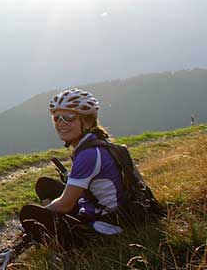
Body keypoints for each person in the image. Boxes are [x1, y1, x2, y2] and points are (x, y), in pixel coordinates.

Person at [17, 89, 127, 249]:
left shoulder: (89, 154)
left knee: (29, 214)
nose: (61, 123)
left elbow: (65, 205)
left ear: (88, 122)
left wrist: (42, 216)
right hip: (108, 212)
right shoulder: (96, 143)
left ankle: (58, 247)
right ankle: (48, 237)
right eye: (56, 118)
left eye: (69, 118)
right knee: (45, 185)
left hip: (106, 227)